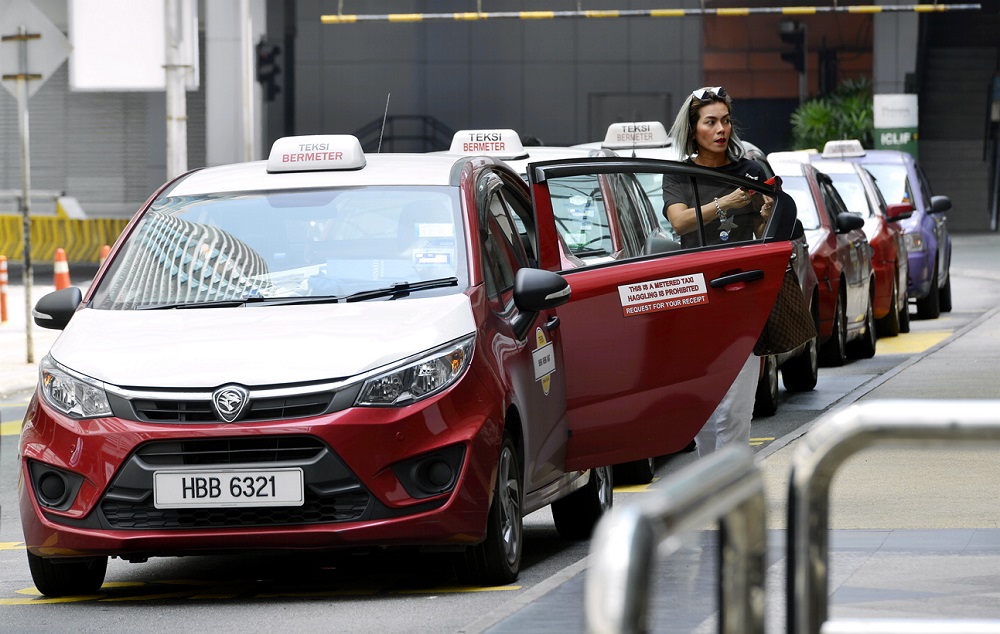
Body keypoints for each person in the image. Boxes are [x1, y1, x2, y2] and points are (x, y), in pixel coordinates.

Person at [661, 86, 773, 457]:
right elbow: (680, 224)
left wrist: (765, 216)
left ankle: (731, 487)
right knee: (704, 405)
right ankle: (712, 484)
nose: (721, 129)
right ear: (693, 130)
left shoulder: (751, 171)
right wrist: (726, 201)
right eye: (711, 122)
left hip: (743, 296)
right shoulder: (679, 176)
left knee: (736, 406)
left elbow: (763, 236)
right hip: (696, 297)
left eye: (726, 121)